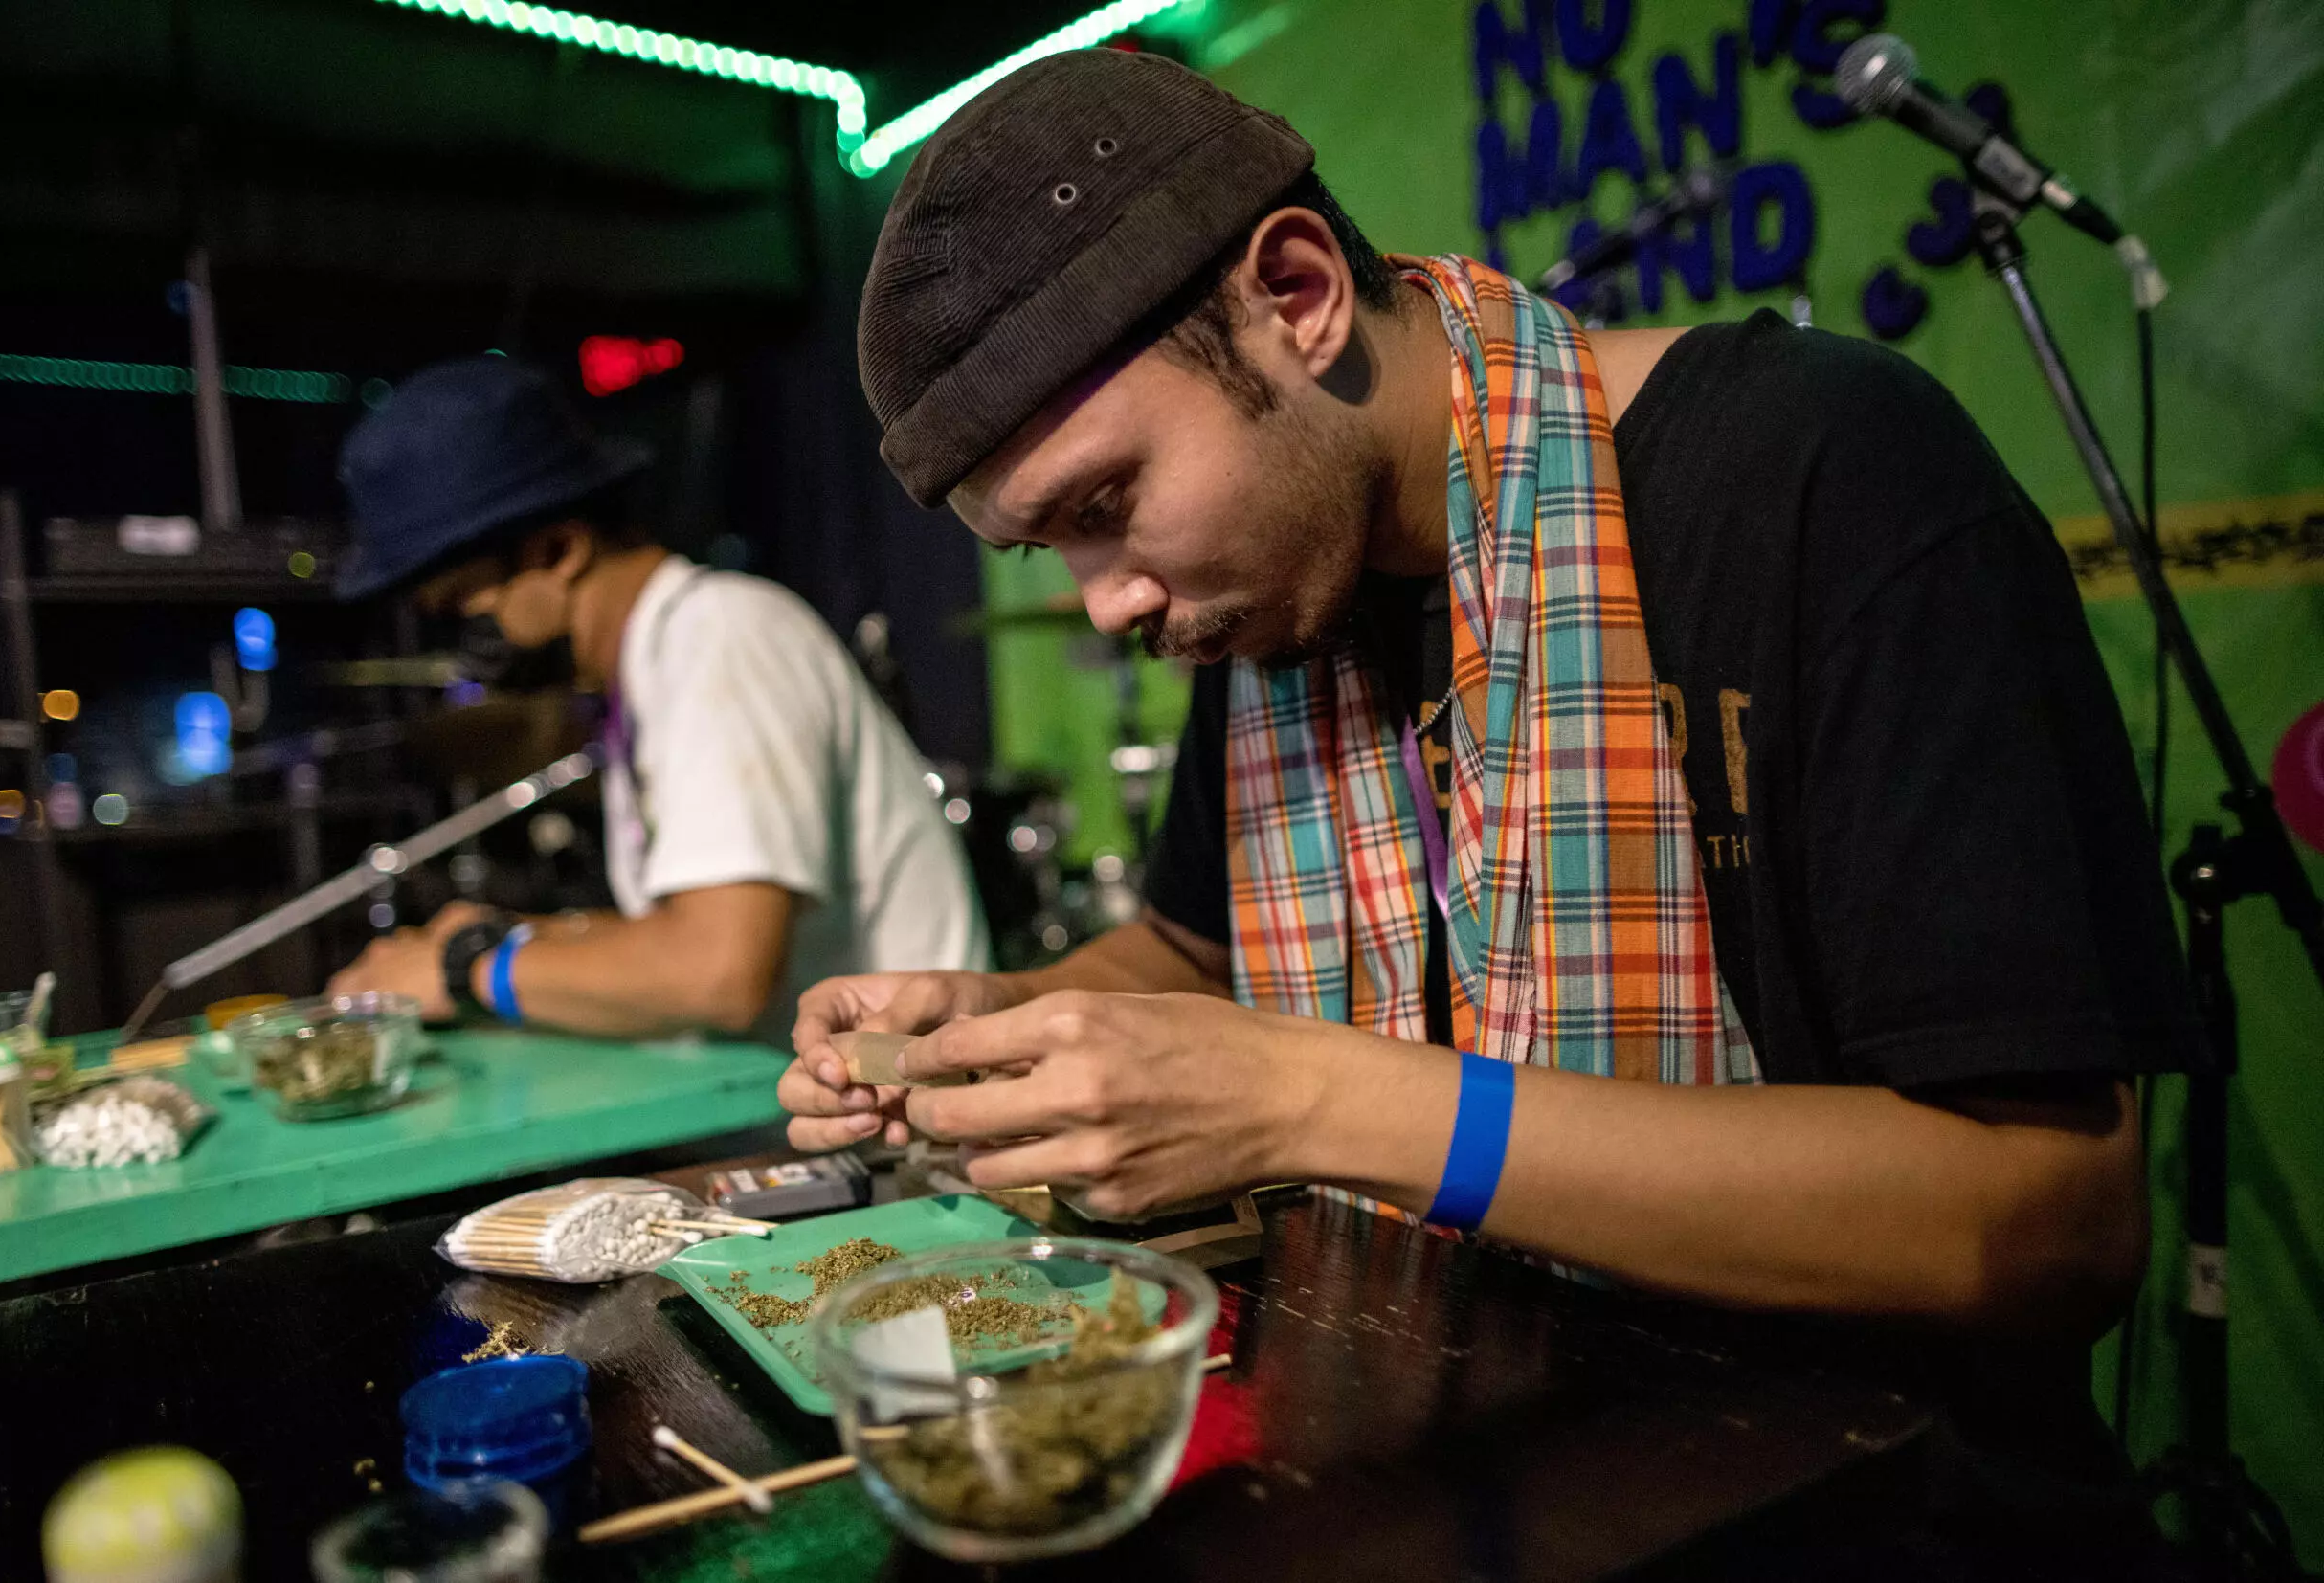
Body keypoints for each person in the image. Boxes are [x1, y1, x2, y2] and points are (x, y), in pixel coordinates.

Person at [781, 46, 2211, 1562]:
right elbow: (1193, 962)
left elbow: (2050, 1218)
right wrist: (1003, 1025)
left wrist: (1309, 1095)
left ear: (1297, 292)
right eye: (1045, 549)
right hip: (1490, 1475)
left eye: (1105, 503)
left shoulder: (1830, 473)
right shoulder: (1274, 597)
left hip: (1879, 1508)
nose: (1110, 598)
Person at [324, 355, 987, 1041]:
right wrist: (521, 936)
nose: (463, 641)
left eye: (463, 606)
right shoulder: (659, 662)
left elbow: (717, 973)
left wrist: (465, 970)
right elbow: (685, 930)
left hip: (899, 1130)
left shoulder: (718, 639)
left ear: (558, 550)